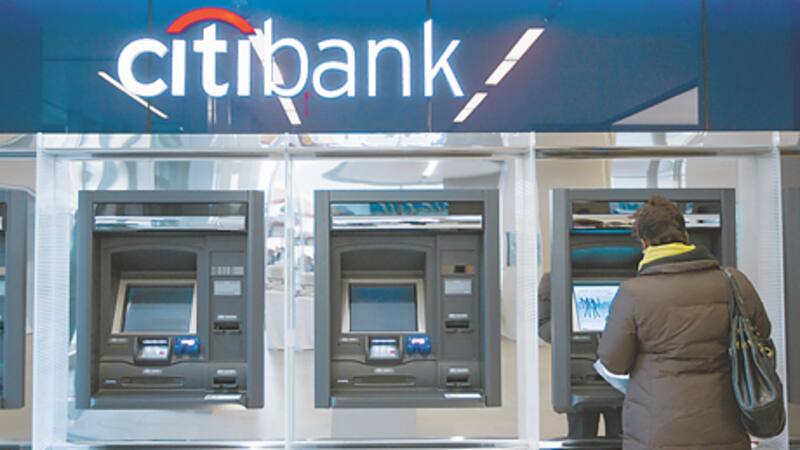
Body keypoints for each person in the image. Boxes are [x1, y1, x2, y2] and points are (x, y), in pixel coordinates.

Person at [597, 195, 771, 450]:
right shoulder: (734, 282)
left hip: (658, 432)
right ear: (685, 236)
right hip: (725, 428)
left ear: (644, 243)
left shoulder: (633, 293)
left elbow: (614, 362)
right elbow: (762, 334)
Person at [538, 272, 622, 439]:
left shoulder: (630, 279)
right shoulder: (553, 280)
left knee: (623, 437)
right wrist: (569, 322)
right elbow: (542, 328)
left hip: (621, 374)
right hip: (579, 376)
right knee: (581, 436)